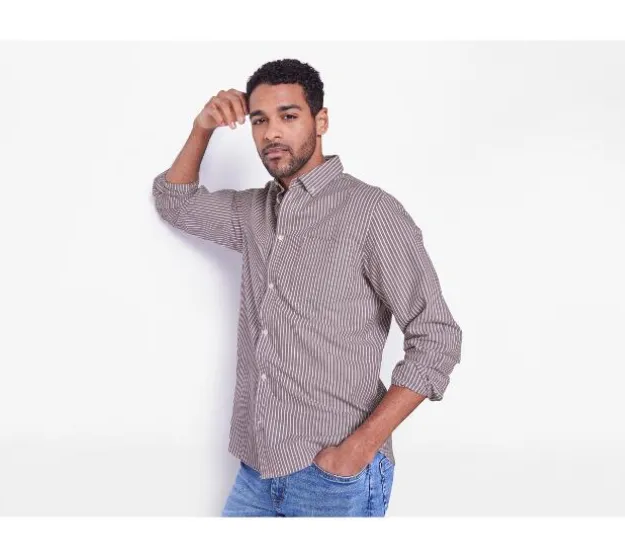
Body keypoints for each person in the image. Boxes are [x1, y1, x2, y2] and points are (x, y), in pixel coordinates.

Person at [152, 59, 463, 517]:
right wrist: (203, 127)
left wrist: (357, 449)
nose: (272, 133)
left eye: (288, 116)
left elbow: (437, 337)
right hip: (256, 470)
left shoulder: (371, 212)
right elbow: (175, 202)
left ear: (321, 121)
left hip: (335, 475)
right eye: (260, 120)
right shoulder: (254, 213)